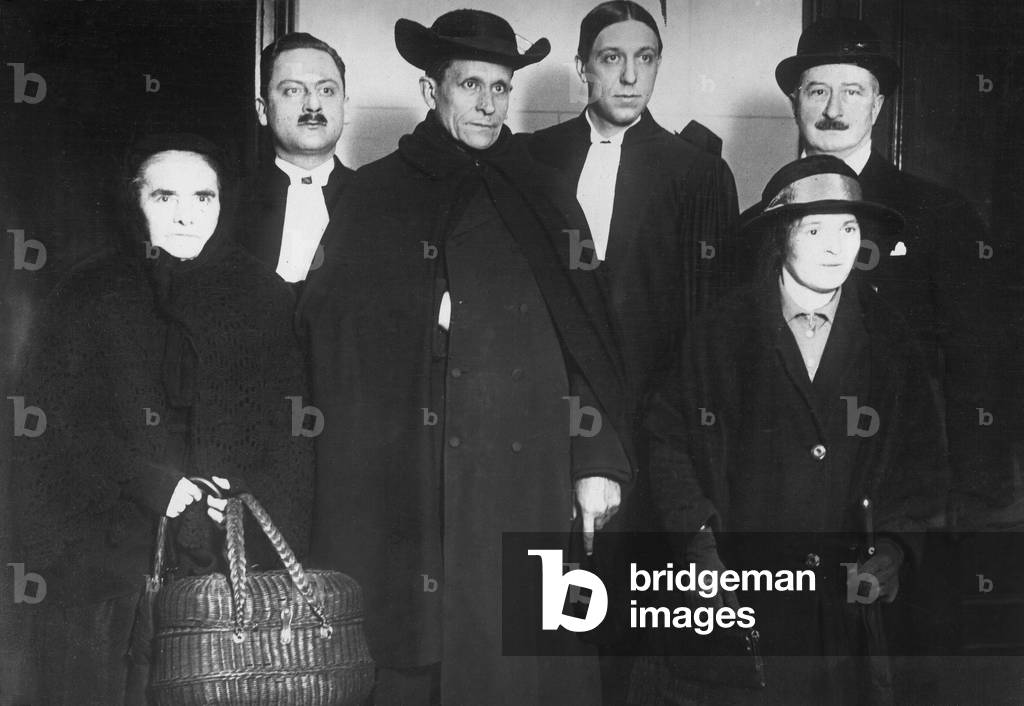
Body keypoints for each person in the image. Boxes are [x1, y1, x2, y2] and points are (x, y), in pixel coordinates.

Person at [299, 9, 634, 705]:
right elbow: (330, 336)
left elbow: (589, 341)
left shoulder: (543, 191)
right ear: (431, 91)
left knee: (528, 656)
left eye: (501, 87)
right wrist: (420, 320)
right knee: (423, 655)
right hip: (415, 476)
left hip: (528, 473)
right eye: (471, 85)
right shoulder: (376, 195)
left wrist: (596, 459)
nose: (488, 104)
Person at [12, 133, 314, 705]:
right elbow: (50, 424)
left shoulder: (262, 296)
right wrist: (151, 483)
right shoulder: (89, 291)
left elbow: (290, 435)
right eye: (164, 197)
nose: (185, 215)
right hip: (107, 557)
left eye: (203, 198)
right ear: (135, 202)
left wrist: (245, 497)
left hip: (226, 565)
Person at [643, 156, 947, 705]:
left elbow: (919, 463)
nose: (837, 247)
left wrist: (897, 549)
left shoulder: (892, 340)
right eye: (816, 229)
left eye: (849, 229)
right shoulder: (721, 330)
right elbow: (668, 441)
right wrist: (699, 545)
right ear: (782, 235)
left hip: (847, 617)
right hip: (744, 596)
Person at [733, 17, 1008, 515]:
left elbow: (978, 366)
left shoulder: (940, 216)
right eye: (818, 91)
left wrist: (968, 505)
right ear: (795, 102)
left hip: (901, 496)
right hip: (778, 497)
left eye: (854, 92)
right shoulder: (754, 227)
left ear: (878, 106)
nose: (834, 110)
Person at [237, 32, 353, 290]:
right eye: (292, 90)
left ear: (344, 107)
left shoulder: (378, 200)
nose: (313, 105)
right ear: (263, 110)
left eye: (326, 90)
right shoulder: (229, 203)